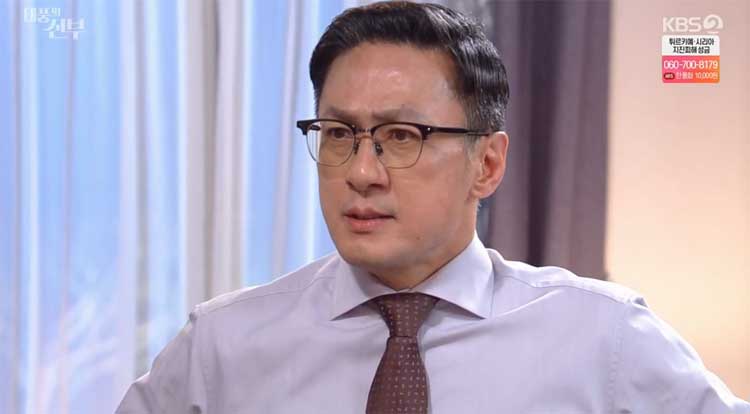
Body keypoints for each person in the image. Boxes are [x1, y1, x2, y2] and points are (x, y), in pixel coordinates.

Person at [116, 2, 750, 413]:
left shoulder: (603, 338)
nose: (361, 172)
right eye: (339, 134)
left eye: (401, 137)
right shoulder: (222, 347)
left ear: (488, 164)